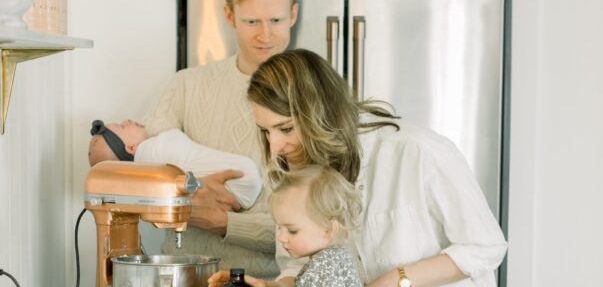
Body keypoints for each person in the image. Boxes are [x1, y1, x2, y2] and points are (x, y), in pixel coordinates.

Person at [208, 49, 507, 287]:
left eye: (285, 128)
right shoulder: (295, 172)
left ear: (320, 114)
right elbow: (301, 259)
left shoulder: (419, 152)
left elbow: (485, 247)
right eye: (266, 131)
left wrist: (395, 280)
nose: (275, 147)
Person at [143, 0, 300, 278]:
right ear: (229, 15)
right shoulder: (185, 87)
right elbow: (142, 185)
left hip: (270, 282)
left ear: (293, 14)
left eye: (276, 20)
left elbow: (328, 228)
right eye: (252, 21)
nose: (265, 35)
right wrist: (189, 194)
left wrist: (226, 223)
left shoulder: (316, 99)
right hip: (184, 277)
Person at [87, 119, 262, 209]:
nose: (127, 120)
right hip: (242, 178)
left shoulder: (147, 174)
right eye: (122, 126)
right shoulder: (152, 151)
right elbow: (174, 142)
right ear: (132, 148)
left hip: (241, 188)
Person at [269, 165, 363, 287]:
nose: (281, 238)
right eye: (279, 228)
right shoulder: (337, 257)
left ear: (328, 229)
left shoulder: (321, 271)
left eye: (292, 230)